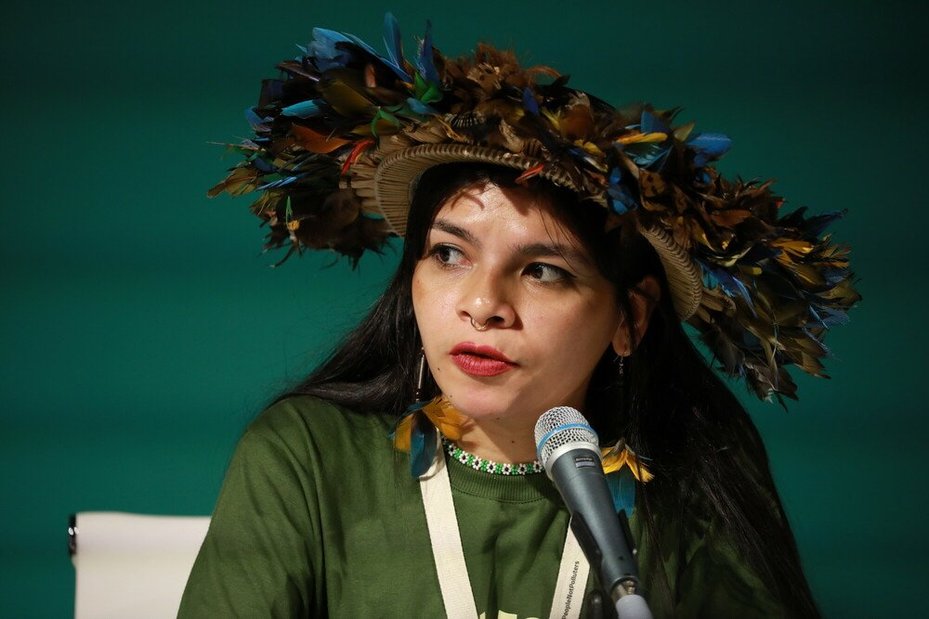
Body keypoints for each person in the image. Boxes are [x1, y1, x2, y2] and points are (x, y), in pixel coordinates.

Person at [180, 15, 859, 618]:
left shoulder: (691, 486)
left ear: (629, 316)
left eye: (542, 270)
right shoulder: (304, 456)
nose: (481, 304)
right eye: (448, 254)